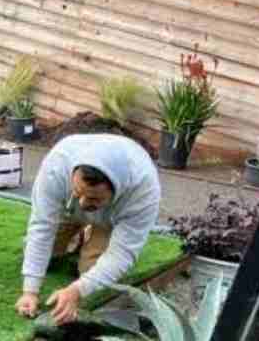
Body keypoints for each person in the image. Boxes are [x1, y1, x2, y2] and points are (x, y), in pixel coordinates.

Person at [15, 134, 160, 325]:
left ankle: (93, 235)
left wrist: (77, 290)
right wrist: (30, 291)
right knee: (42, 255)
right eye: (78, 192)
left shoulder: (143, 191)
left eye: (93, 198)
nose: (83, 203)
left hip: (110, 220)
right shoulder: (58, 165)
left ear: (116, 189)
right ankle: (80, 236)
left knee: (93, 275)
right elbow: (42, 226)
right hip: (67, 210)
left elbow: (121, 255)